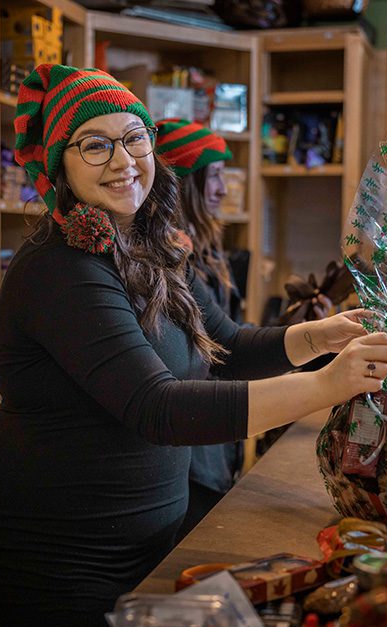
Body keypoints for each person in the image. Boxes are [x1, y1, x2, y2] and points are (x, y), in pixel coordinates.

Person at [0, 64, 387, 627]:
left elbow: (225, 346)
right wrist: (326, 384)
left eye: (134, 138)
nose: (123, 160)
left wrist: (320, 336)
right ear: (61, 165)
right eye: (95, 145)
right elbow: (156, 406)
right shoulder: (60, 269)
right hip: (59, 554)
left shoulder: (146, 245)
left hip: (145, 541)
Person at [155, 118, 244, 538]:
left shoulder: (205, 254)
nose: (223, 189)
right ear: (185, 183)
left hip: (213, 443)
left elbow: (227, 343)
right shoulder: (167, 263)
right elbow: (204, 359)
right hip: (190, 458)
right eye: (214, 176)